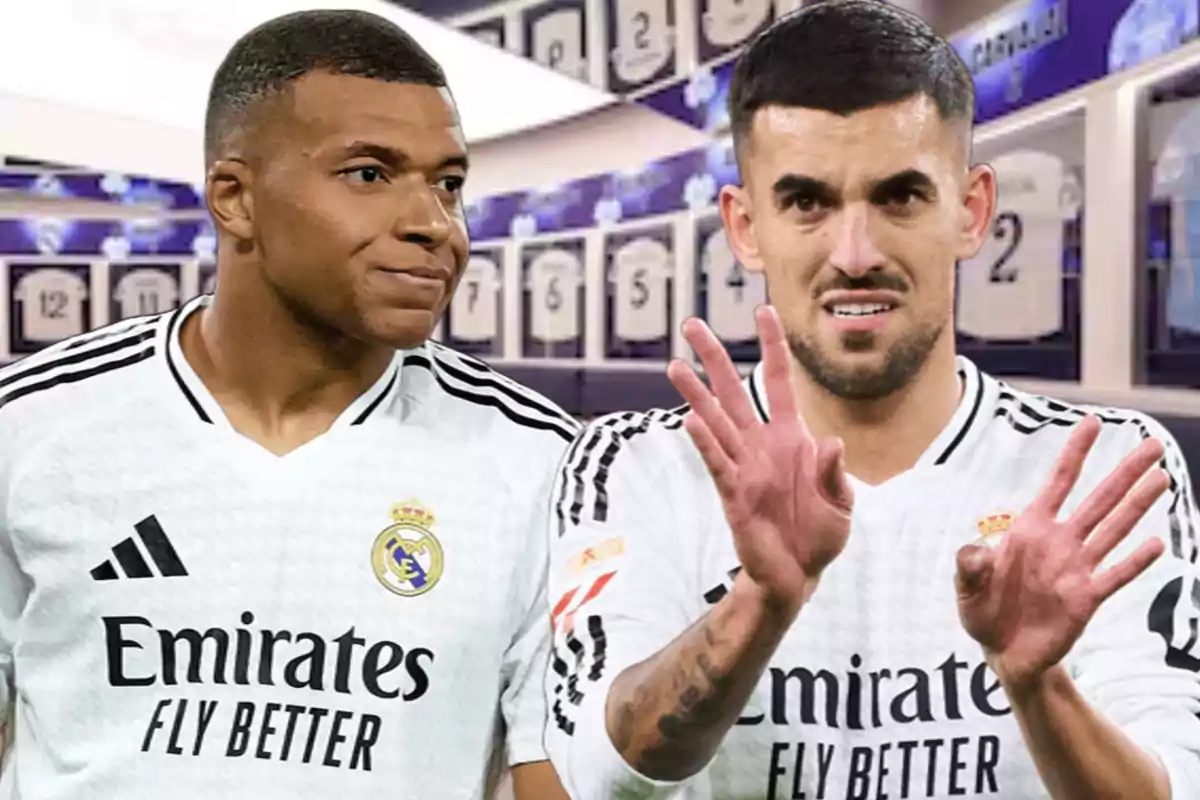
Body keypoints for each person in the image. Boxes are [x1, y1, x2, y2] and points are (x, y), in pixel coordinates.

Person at [544, 2, 1200, 798]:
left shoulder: (1105, 468)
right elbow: (603, 776)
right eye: (807, 203)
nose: (855, 255)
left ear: (972, 210)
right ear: (746, 227)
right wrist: (760, 605)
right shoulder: (635, 464)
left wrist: (1040, 687)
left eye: (900, 197)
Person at [0, 10, 573, 799]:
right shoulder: (31, 428)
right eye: (370, 174)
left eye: (448, 184)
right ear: (235, 199)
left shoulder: (540, 462)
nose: (434, 226)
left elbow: (556, 773)